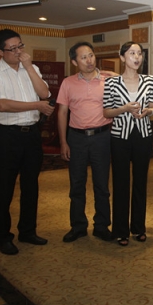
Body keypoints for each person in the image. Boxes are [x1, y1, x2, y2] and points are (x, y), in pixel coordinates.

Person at [0, 28, 55, 255]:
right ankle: (2, 236)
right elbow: (2, 105)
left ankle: (27, 231)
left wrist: (29, 67)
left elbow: (45, 94)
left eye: (20, 46)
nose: (18, 51)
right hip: (6, 136)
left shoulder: (31, 68)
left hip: (31, 134)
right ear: (0, 52)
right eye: (12, 49)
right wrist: (36, 106)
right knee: (4, 188)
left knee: (30, 185)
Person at [57, 42, 114, 244]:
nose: (89, 60)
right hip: (77, 138)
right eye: (83, 57)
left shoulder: (108, 80)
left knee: (102, 185)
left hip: (102, 137)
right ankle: (78, 226)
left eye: (91, 55)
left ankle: (102, 226)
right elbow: (62, 113)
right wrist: (63, 142)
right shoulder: (68, 83)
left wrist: (114, 74)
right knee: (77, 184)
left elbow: (128, 84)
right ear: (74, 62)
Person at [103, 42, 153, 247]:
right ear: (122, 57)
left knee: (141, 182)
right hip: (120, 137)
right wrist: (124, 108)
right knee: (121, 182)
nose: (137, 57)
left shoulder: (149, 81)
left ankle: (138, 227)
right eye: (132, 53)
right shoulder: (111, 83)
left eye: (139, 53)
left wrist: (148, 111)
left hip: (143, 135)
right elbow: (107, 112)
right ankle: (121, 230)